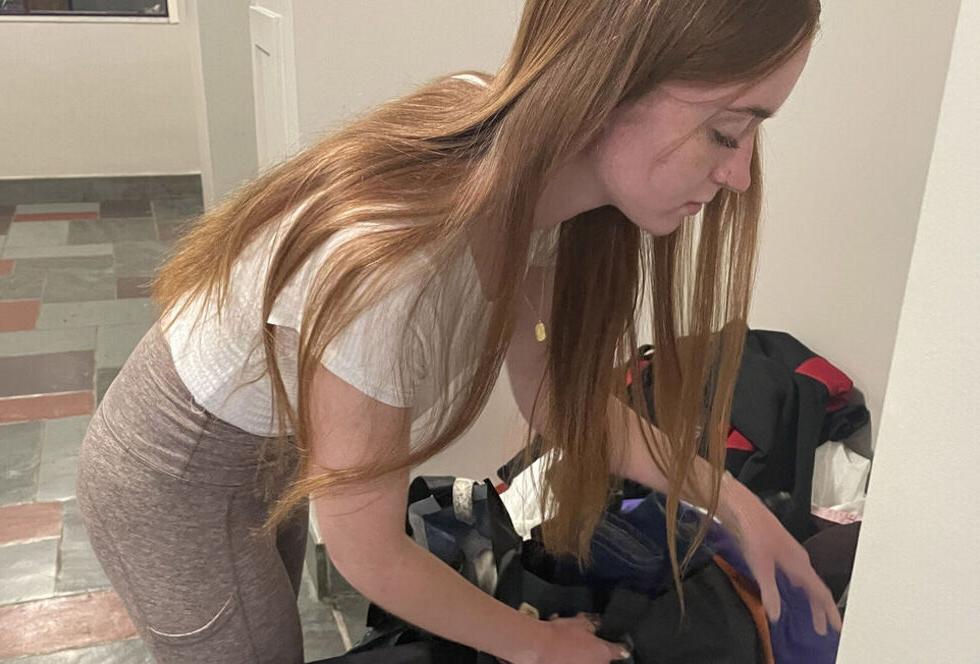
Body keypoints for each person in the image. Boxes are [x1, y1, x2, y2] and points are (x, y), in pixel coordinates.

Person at [76, 1, 842, 662]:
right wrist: (537, 642)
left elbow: (551, 395)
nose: (739, 175)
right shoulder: (397, 267)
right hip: (172, 477)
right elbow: (368, 550)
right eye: (725, 132)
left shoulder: (531, 175)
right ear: (609, 83)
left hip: (267, 448)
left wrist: (738, 506)